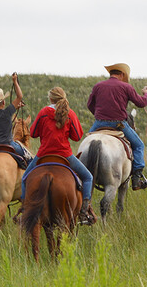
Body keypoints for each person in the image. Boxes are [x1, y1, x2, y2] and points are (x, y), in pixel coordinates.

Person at [21, 86, 97, 225]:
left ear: (50, 98)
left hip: (43, 155)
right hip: (65, 156)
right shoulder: (70, 113)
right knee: (88, 177)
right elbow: (77, 136)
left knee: (25, 179)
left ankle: (24, 209)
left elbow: (33, 133)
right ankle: (84, 211)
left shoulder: (43, 112)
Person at [86, 62, 147, 190]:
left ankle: (78, 176)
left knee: (85, 143)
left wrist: (99, 114)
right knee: (139, 145)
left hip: (99, 122)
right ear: (121, 74)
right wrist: (146, 94)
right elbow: (141, 103)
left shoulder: (98, 86)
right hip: (119, 124)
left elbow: (89, 104)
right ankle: (137, 177)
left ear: (111, 73)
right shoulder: (126, 87)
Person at [0, 73, 33, 163]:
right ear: (3, 102)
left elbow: (2, 116)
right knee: (30, 158)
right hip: (9, 143)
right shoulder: (7, 112)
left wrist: (15, 108)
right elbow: (19, 96)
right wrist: (15, 81)